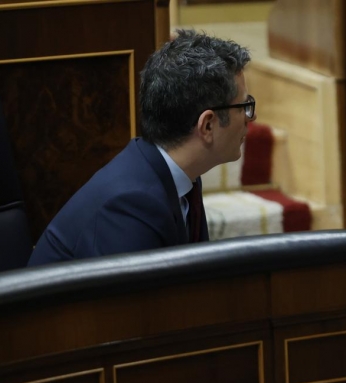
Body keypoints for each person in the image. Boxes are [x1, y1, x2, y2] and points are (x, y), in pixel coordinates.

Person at [28, 30, 256, 266]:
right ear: (207, 125)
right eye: (245, 106)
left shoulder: (180, 177)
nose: (253, 116)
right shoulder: (131, 205)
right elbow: (140, 302)